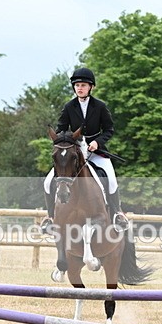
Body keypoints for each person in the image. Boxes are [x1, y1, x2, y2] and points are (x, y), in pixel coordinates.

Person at [41, 67, 129, 233]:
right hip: (75, 153)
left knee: (111, 180)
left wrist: (97, 142)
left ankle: (117, 213)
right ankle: (50, 217)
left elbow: (109, 130)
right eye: (77, 85)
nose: (79, 88)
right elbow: (61, 129)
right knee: (47, 182)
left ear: (91, 87)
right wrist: (65, 141)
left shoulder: (100, 106)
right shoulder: (69, 107)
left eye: (83, 85)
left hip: (96, 152)